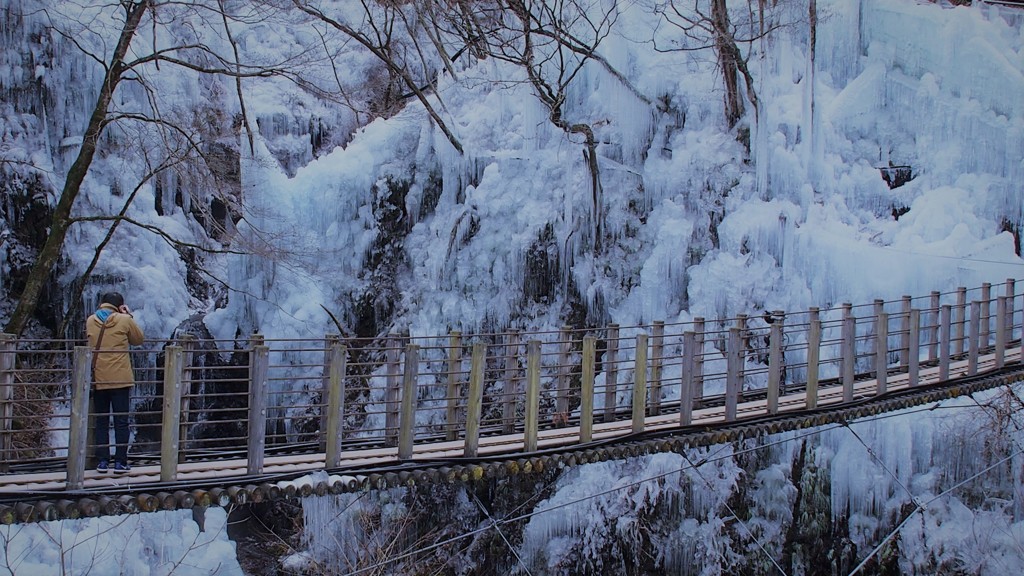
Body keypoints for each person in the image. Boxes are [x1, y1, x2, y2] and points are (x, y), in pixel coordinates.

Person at [86, 292, 144, 473]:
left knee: (102, 421)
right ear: (119, 306)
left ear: (102, 304)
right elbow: (138, 339)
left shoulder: (90, 320)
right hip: (120, 379)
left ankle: (102, 462)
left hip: (99, 379)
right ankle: (120, 462)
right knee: (121, 422)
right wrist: (128, 315)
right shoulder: (124, 320)